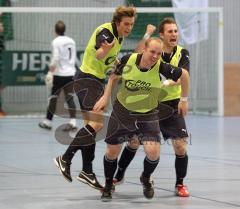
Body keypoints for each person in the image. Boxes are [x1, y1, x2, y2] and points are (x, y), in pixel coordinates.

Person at [53, 6, 136, 191]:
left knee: (90, 127)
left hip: (92, 80)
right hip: (88, 80)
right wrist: (105, 50)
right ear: (117, 22)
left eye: (131, 24)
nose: (129, 27)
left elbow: (106, 58)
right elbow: (99, 53)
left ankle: (87, 171)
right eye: (126, 24)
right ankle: (65, 159)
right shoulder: (106, 32)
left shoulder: (119, 37)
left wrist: (115, 61)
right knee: (97, 125)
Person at [96, 37, 189, 201]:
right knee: (112, 151)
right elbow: (113, 77)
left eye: (159, 53)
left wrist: (184, 99)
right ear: (144, 49)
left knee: (153, 153)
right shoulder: (128, 60)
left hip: (148, 112)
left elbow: (185, 75)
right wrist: (104, 97)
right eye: (152, 52)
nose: (155, 56)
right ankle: (109, 184)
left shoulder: (162, 66)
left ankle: (145, 177)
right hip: (123, 110)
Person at [39, 20, 77, 131]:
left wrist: (50, 70)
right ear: (64, 30)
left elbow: (56, 57)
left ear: (55, 31)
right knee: (69, 97)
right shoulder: (71, 41)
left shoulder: (56, 42)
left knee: (54, 98)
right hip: (71, 73)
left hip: (60, 74)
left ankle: (48, 121)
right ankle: (73, 122)